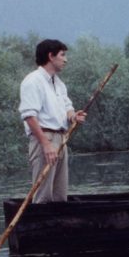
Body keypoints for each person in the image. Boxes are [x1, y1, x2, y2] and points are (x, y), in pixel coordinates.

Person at [18, 39, 87, 203]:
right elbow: (28, 115)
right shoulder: (33, 81)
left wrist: (73, 116)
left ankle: (60, 227)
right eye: (62, 55)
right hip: (44, 139)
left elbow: (67, 106)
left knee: (60, 196)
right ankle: (40, 227)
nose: (65, 60)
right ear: (51, 56)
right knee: (43, 195)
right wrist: (46, 144)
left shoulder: (58, 83)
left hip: (61, 139)